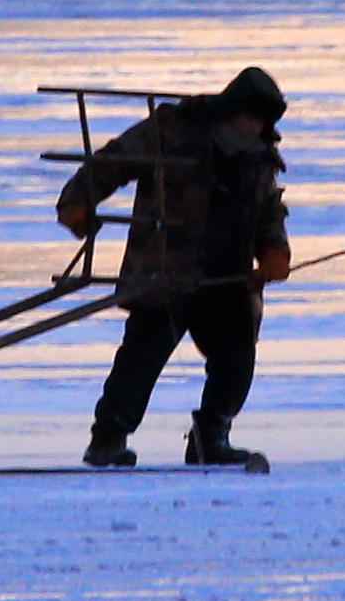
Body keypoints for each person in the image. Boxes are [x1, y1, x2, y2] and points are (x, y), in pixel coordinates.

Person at [55, 66, 295, 468]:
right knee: (141, 358)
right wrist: (77, 202)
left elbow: (269, 210)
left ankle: (210, 438)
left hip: (227, 278)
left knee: (236, 360)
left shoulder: (260, 157)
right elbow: (113, 162)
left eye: (261, 120)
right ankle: (108, 439)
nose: (253, 126)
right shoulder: (174, 130)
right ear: (231, 108)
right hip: (166, 270)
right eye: (248, 116)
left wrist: (275, 251)